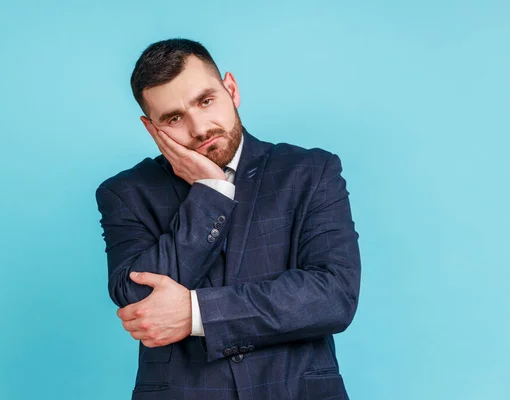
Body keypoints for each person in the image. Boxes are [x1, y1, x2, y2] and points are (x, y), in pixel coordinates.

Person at [95, 38, 361, 400]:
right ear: (151, 128)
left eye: (206, 101)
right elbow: (141, 301)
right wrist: (211, 193)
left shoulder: (310, 172)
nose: (200, 128)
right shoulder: (125, 193)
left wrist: (196, 312)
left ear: (230, 89)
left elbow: (332, 295)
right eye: (174, 118)